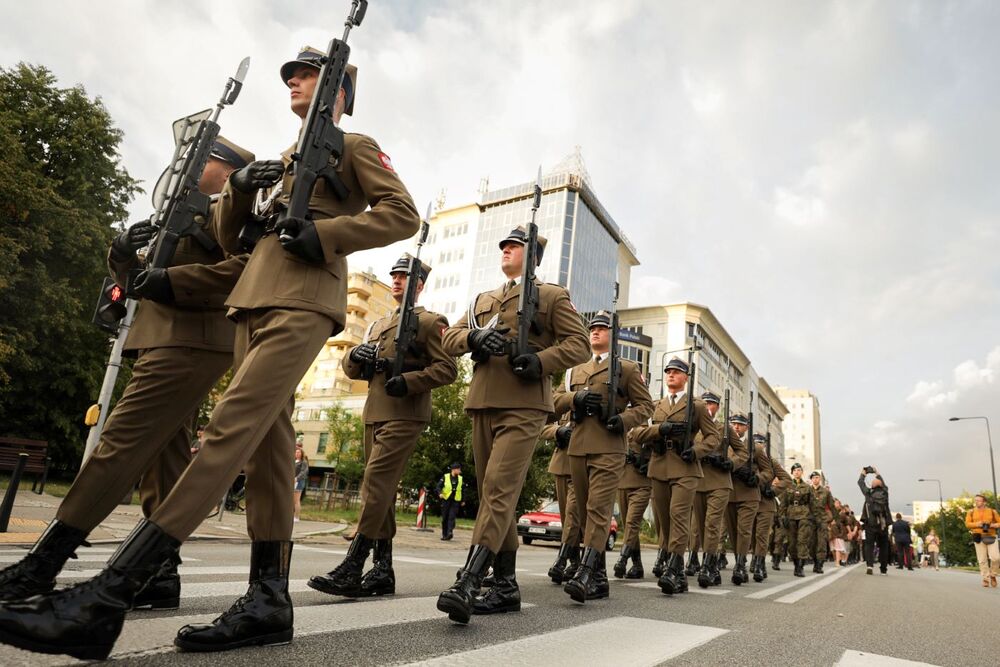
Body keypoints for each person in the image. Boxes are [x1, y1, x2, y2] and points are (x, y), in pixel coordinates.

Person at [0, 49, 420, 661]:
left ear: (337, 92)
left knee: (229, 432)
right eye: (291, 76)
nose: (294, 81)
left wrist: (326, 234)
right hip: (251, 303)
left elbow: (400, 213)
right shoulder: (279, 163)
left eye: (306, 74)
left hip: (305, 298)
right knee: (271, 454)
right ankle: (268, 598)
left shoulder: (354, 146)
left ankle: (106, 597)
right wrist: (240, 194)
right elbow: (233, 241)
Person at [0, 137, 253, 610]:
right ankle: (161, 573)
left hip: (191, 339)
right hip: (162, 336)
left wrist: (171, 280)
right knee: (164, 459)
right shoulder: (179, 209)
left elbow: (244, 269)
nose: (190, 164)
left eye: (205, 159)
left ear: (226, 169)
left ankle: (43, 564)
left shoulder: (235, 208)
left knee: (119, 443)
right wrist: (120, 255)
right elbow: (137, 279)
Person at [437, 226, 589, 623]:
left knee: (498, 490)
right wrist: (473, 339)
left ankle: (469, 579)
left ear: (533, 255)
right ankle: (505, 585)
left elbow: (580, 345)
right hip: (483, 402)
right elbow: (447, 337)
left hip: (525, 405)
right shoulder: (482, 300)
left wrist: (541, 361)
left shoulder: (552, 296)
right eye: (503, 245)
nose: (505, 249)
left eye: (515, 245)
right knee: (493, 495)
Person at [308, 254, 455, 599]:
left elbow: (446, 369)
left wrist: (408, 380)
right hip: (374, 413)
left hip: (406, 412)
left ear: (418, 285)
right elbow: (354, 368)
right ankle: (383, 570)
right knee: (383, 491)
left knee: (375, 483)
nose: (396, 280)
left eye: (404, 276)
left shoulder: (430, 321)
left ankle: (353, 565)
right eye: (394, 275)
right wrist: (353, 357)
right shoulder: (377, 325)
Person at [552, 310, 653, 603]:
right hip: (578, 447)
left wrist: (623, 421)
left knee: (597, 510)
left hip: (609, 446)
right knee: (582, 512)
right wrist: (575, 399)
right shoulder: (574, 370)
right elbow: (555, 402)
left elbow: (645, 406)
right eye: (592, 328)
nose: (595, 331)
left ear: (613, 333)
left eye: (602, 327)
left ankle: (585, 572)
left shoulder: (627, 368)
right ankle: (598, 578)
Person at [632, 357, 720, 596]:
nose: (671, 375)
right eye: (668, 371)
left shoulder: (697, 405)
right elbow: (637, 433)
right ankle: (679, 572)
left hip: (685, 467)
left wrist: (696, 451)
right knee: (665, 521)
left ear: (686, 378)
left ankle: (672, 568)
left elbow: (713, 438)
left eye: (676, 372)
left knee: (678, 515)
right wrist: (660, 430)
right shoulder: (656, 404)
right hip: (659, 466)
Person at [691, 393, 746, 588]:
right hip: (698, 480)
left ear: (717, 407)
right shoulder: (693, 424)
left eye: (711, 404)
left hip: (720, 481)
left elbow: (743, 452)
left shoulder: (725, 429)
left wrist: (730, 463)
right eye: (704, 403)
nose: (707, 406)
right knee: (700, 526)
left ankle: (706, 566)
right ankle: (713, 566)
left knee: (712, 524)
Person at [724, 415, 765, 585]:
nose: (736, 427)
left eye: (740, 424)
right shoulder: (724, 444)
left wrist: (756, 478)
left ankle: (740, 566)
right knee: (733, 533)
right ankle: (740, 560)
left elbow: (768, 471)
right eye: (733, 424)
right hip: (729, 492)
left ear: (746, 428)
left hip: (748, 493)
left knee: (744, 530)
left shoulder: (755, 448)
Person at [542, 414, 583, 583]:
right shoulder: (563, 395)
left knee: (572, 515)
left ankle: (561, 560)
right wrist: (558, 431)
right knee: (567, 518)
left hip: (581, 462)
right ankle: (575, 563)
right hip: (561, 463)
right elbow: (542, 426)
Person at [751, 434, 791, 581]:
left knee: (761, 535)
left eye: (760, 443)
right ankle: (752, 561)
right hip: (748, 501)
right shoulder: (745, 458)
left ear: (765, 446)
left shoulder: (771, 462)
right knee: (750, 535)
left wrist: (773, 491)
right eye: (755, 443)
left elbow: (787, 479)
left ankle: (760, 564)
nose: (758, 446)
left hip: (765, 502)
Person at [615, 428, 650, 579]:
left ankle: (622, 559)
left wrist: (648, 463)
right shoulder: (621, 425)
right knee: (628, 524)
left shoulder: (650, 427)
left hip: (642, 482)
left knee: (632, 522)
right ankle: (637, 565)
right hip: (622, 482)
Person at [858, 467, 892, 575]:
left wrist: (863, 473)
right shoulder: (885, 493)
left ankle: (870, 566)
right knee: (883, 546)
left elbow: (860, 483)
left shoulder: (868, 493)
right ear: (881, 485)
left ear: (872, 486)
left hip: (871, 523)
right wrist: (877, 472)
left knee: (869, 545)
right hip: (883, 524)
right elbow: (884, 484)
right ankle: (883, 569)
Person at [782, 463, 813, 577]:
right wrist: (782, 516)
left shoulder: (807, 487)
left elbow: (812, 503)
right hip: (790, 514)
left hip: (804, 514)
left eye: (799, 470)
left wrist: (812, 518)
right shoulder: (788, 486)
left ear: (802, 472)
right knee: (791, 543)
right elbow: (783, 503)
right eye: (794, 470)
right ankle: (796, 564)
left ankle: (800, 567)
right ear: (792, 472)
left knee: (802, 541)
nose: (797, 472)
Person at [965, 493, 1000, 587]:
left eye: (978, 500)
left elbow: (999, 522)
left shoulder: (992, 511)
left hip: (991, 536)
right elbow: (967, 524)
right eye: (975, 500)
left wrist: (992, 525)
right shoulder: (971, 512)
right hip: (978, 536)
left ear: (984, 502)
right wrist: (978, 524)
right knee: (982, 559)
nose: (976, 502)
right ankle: (985, 578)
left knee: (996, 557)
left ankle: (993, 574)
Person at [808, 471, 836, 573]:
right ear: (811, 479)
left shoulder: (826, 492)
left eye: (817, 477)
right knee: (812, 543)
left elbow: (832, 506)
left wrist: (832, 519)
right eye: (814, 478)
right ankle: (815, 561)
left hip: (822, 520)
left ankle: (819, 564)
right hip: (810, 520)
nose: (816, 479)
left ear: (820, 479)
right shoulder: (807, 491)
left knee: (822, 542)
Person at [439, 463, 465, 542]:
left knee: (452, 517)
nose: (460, 471)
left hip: (455, 501)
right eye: (458, 469)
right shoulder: (445, 477)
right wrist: (440, 493)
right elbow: (438, 486)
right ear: (454, 470)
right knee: (445, 518)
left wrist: (463, 500)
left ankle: (450, 532)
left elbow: (463, 490)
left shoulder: (460, 479)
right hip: (446, 500)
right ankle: (444, 535)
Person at [293, 448, 308, 523]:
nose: (297, 453)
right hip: (292, 482)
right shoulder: (294, 462)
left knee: (296, 500)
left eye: (299, 452)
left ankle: (296, 517)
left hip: (299, 482)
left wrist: (296, 478)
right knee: (292, 500)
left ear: (302, 453)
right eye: (296, 452)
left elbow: (303, 472)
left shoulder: (303, 462)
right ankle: (292, 515)